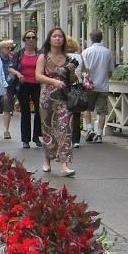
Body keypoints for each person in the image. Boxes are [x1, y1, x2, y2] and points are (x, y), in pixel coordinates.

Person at [35, 27, 76, 176]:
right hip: (47, 98)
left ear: (64, 40)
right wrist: (53, 81)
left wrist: (72, 72)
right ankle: (47, 160)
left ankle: (64, 164)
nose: (57, 39)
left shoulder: (68, 58)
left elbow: (72, 80)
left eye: (60, 36)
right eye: (54, 36)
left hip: (64, 98)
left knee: (65, 128)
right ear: (49, 39)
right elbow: (38, 76)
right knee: (48, 129)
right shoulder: (44, 57)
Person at [8, 29, 42, 148]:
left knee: (39, 111)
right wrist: (18, 74)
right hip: (23, 85)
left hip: (37, 84)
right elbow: (10, 67)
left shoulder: (40, 54)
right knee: (25, 112)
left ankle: (36, 137)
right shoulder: (19, 54)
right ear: (24, 40)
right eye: (28, 38)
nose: (31, 40)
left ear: (36, 39)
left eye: (33, 37)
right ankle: (25, 140)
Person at [82, 30, 114, 142]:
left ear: (91, 39)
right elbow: (110, 70)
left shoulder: (86, 52)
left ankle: (89, 128)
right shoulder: (107, 52)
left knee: (87, 108)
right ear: (101, 38)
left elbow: (84, 69)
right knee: (102, 111)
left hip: (89, 85)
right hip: (103, 85)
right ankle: (99, 133)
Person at [65, 37, 86, 148]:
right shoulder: (80, 56)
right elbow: (85, 71)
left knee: (66, 113)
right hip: (78, 86)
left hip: (66, 86)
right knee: (76, 113)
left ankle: (67, 137)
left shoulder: (64, 57)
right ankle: (76, 140)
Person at [0, 39, 17, 139]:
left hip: (9, 87)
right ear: (1, 49)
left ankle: (6, 130)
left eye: (11, 48)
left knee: (7, 109)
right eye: (7, 48)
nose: (10, 50)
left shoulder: (13, 59)